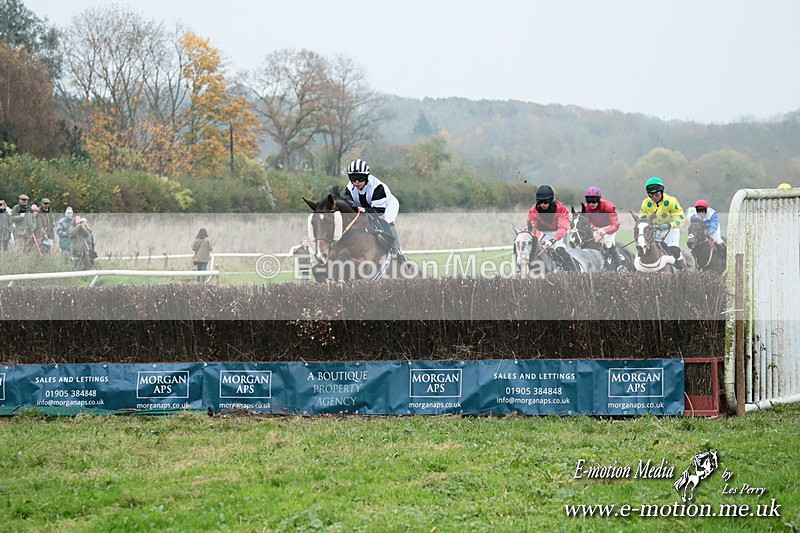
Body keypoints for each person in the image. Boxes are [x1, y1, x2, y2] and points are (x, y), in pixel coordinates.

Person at [344, 158, 405, 260]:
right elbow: (347, 202)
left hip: (386, 206)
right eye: (353, 178)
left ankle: (396, 249)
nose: (357, 182)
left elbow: (379, 211)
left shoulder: (377, 187)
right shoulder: (349, 187)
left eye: (360, 178)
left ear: (366, 177)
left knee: (386, 220)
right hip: (366, 204)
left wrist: (365, 211)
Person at [639, 176, 688, 270]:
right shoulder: (645, 203)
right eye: (651, 195)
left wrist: (669, 225)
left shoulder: (671, 201)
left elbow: (680, 219)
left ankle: (684, 271)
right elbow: (643, 219)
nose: (654, 197)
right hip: (654, 230)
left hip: (671, 230)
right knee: (644, 248)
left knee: (675, 250)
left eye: (657, 194)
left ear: (661, 191)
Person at [526, 184, 577, 271]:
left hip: (559, 233)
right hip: (545, 232)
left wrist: (553, 240)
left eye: (546, 202)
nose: (543, 204)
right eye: (540, 202)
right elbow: (531, 227)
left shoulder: (561, 209)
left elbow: (563, 228)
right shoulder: (533, 211)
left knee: (560, 250)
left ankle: (574, 270)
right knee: (535, 251)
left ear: (551, 200)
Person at [582, 185, 626, 271]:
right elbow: (587, 221)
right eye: (589, 201)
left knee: (608, 244)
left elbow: (615, 225)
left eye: (594, 201)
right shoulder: (586, 208)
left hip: (609, 227)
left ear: (598, 199)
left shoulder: (608, 206)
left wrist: (605, 231)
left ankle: (619, 265)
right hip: (596, 228)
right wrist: (592, 227)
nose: (591, 204)